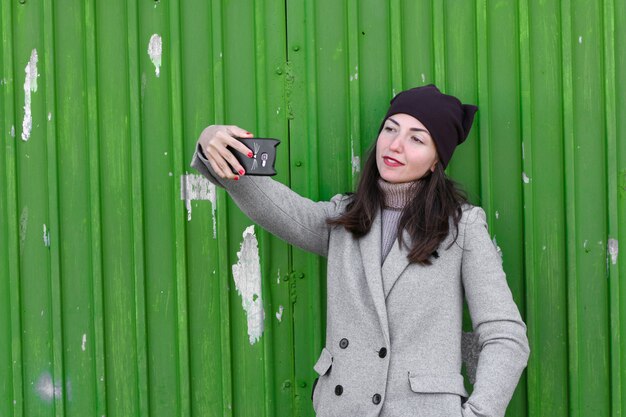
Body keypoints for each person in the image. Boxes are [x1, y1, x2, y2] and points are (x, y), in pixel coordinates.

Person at [190, 84, 530, 417]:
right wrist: (211, 141)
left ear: (435, 160)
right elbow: (274, 208)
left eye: (416, 138)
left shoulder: (461, 229)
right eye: (390, 129)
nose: (395, 145)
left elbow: (506, 335)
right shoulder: (346, 219)